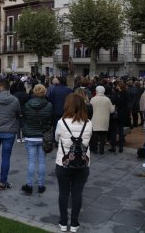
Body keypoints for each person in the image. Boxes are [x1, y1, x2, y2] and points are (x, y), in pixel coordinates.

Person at [55, 93, 93, 233]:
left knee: (64, 193)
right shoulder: (89, 123)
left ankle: (63, 222)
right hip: (83, 163)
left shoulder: (61, 122)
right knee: (77, 193)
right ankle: (75, 223)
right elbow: (89, 139)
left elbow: (56, 137)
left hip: (63, 162)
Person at [0, 78, 21, 190]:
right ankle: (3, 181)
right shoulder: (14, 100)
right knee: (5, 157)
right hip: (9, 132)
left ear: (1, 87)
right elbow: (18, 113)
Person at [21, 84, 53, 194]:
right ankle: (40, 185)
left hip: (30, 136)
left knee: (31, 161)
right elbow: (51, 120)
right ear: (44, 93)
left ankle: (29, 185)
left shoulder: (27, 105)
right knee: (42, 162)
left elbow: (24, 118)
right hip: (43, 136)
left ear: (34, 92)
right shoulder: (49, 105)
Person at [89, 86, 115, 154]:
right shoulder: (107, 99)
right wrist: (114, 106)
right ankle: (101, 150)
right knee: (103, 136)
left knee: (94, 136)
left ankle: (94, 149)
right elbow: (112, 110)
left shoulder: (93, 99)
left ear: (96, 91)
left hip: (94, 120)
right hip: (104, 120)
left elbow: (90, 109)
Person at [109, 81, 128, 153]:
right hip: (123, 115)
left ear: (119, 86)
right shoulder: (126, 94)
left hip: (116, 114)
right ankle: (121, 147)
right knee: (121, 131)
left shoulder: (116, 94)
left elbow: (113, 102)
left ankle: (113, 147)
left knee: (113, 131)